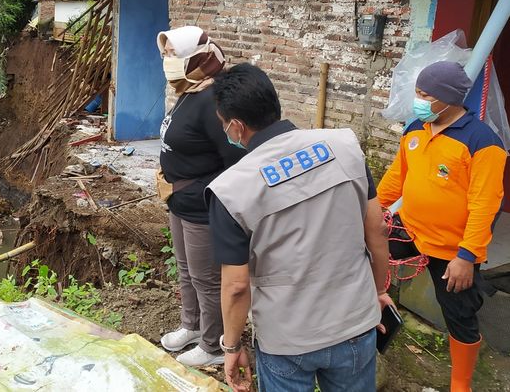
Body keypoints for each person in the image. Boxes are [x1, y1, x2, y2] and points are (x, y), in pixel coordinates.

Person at [206, 63, 391, 392]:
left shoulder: (230, 190)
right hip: (355, 321)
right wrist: (377, 292)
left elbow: (235, 287)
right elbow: (376, 231)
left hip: (288, 339)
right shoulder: (344, 146)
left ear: (235, 127)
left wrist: (232, 347)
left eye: (223, 125)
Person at [378, 60, 506, 392]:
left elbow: (485, 204)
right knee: (363, 255)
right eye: (417, 91)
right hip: (410, 228)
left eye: (424, 94)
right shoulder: (415, 129)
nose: (417, 99)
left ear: (448, 100)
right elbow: (397, 176)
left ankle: (460, 384)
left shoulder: (483, 143)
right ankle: (369, 328)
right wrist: (372, 209)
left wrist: (467, 256)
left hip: (452, 250)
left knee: (459, 316)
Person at [155, 26, 246, 366]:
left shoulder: (213, 102)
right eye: (165, 54)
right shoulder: (190, 90)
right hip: (178, 201)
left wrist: (200, 190)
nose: (167, 61)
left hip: (200, 207)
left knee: (206, 278)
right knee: (185, 270)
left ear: (199, 58)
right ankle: (191, 326)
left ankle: (212, 346)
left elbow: (235, 160)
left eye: (173, 55)